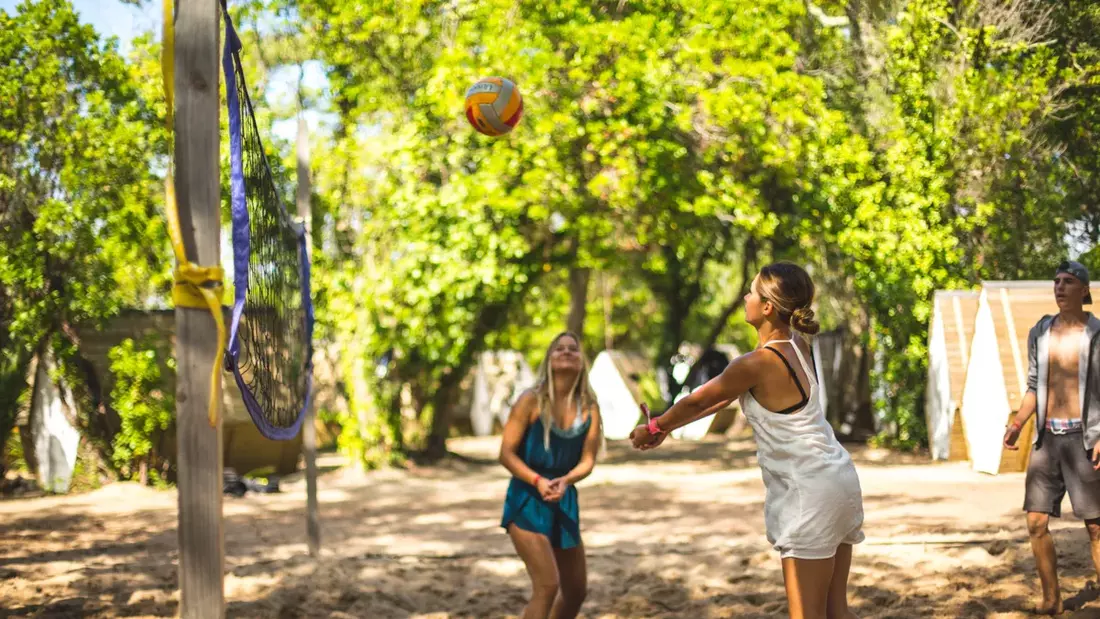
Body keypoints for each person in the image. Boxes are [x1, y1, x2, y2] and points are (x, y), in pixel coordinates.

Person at [630, 262, 864, 619]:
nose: (745, 296)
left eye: (752, 291)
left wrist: (655, 426)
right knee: (836, 612)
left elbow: (699, 398)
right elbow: (722, 399)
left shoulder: (755, 362)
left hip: (810, 493)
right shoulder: (799, 345)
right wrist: (664, 429)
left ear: (767, 307)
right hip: (839, 482)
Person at [1003, 260, 1100, 615]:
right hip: (1047, 439)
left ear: (1084, 290)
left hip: (1085, 440)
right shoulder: (1040, 332)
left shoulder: (1096, 333)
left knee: (1095, 526)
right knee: (1035, 522)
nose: (1059, 287)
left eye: (1068, 281)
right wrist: (1017, 424)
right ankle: (1052, 599)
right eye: (1056, 281)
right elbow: (1033, 386)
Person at [499, 332, 603, 619]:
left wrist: (567, 480)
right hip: (527, 497)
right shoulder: (530, 400)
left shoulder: (590, 407)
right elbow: (505, 454)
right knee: (547, 585)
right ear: (549, 359)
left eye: (573, 349)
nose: (566, 352)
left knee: (576, 592)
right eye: (559, 349)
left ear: (582, 362)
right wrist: (537, 480)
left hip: (564, 498)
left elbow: (588, 460)